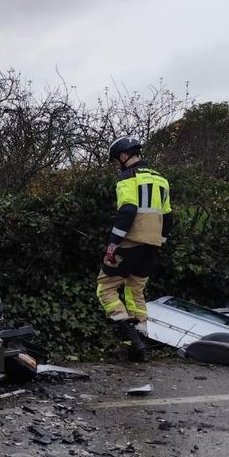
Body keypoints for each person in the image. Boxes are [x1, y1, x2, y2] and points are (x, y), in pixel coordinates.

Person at [97, 137, 173, 362]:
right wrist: (161, 240)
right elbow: (168, 217)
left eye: (116, 160)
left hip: (129, 243)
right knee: (135, 291)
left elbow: (127, 210)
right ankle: (138, 346)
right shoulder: (162, 179)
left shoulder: (127, 178)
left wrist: (113, 242)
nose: (117, 164)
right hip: (152, 246)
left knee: (105, 289)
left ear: (123, 156)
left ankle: (128, 332)